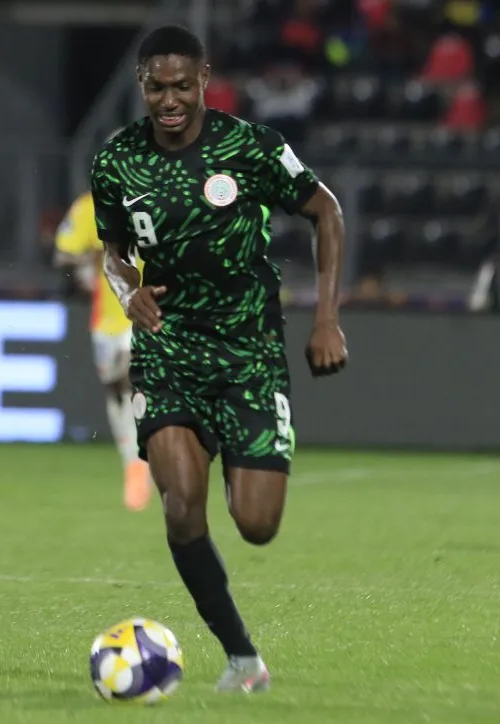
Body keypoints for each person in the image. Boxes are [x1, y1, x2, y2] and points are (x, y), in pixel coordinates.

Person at [91, 25, 348, 692]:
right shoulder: (117, 161)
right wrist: (128, 292)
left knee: (257, 524)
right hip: (169, 351)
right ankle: (242, 658)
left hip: (248, 353)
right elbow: (113, 252)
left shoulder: (250, 146)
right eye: (156, 87)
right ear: (141, 85)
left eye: (182, 86)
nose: (169, 100)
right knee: (181, 507)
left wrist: (326, 318)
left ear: (204, 79)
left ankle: (244, 470)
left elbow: (325, 211)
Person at [53, 190, 151, 511]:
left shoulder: (159, 196)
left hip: (150, 310)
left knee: (130, 376)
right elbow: (62, 255)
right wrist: (92, 258)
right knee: (116, 389)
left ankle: (145, 459)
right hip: (107, 318)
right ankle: (133, 462)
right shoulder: (88, 207)